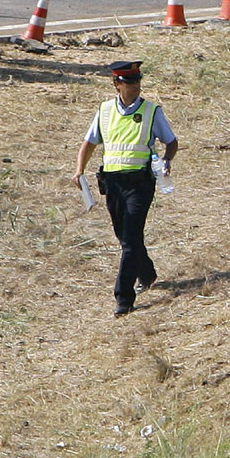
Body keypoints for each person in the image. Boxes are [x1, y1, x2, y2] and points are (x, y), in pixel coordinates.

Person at [71, 60, 178, 317]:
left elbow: (171, 141)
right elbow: (89, 143)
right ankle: (147, 273)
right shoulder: (105, 111)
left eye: (138, 82)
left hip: (140, 183)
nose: (136, 87)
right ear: (117, 84)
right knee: (124, 235)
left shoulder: (152, 111)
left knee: (130, 238)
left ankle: (124, 297)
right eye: (130, 83)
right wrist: (79, 170)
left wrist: (166, 161)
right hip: (113, 183)